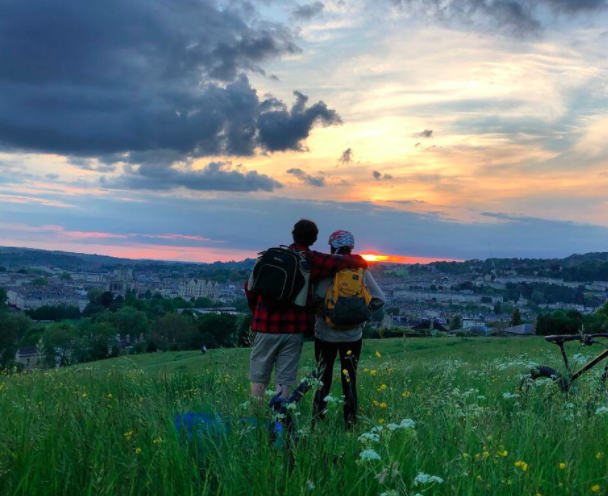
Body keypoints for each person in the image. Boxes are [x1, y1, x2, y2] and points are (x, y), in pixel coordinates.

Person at [245, 219, 368, 400]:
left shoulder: (269, 256)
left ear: (293, 234)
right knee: (283, 381)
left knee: (259, 378)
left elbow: (249, 287)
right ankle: (279, 420)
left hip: (264, 325)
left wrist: (257, 314)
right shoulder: (311, 259)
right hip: (293, 329)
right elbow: (340, 262)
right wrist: (360, 259)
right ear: (314, 238)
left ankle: (256, 421)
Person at [313, 230, 385, 429]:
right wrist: (362, 314)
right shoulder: (360, 270)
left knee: (322, 379)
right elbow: (380, 299)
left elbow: (317, 296)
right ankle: (350, 423)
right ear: (351, 248)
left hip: (325, 335)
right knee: (349, 379)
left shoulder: (328, 270)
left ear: (332, 246)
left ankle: (318, 422)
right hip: (354, 336)